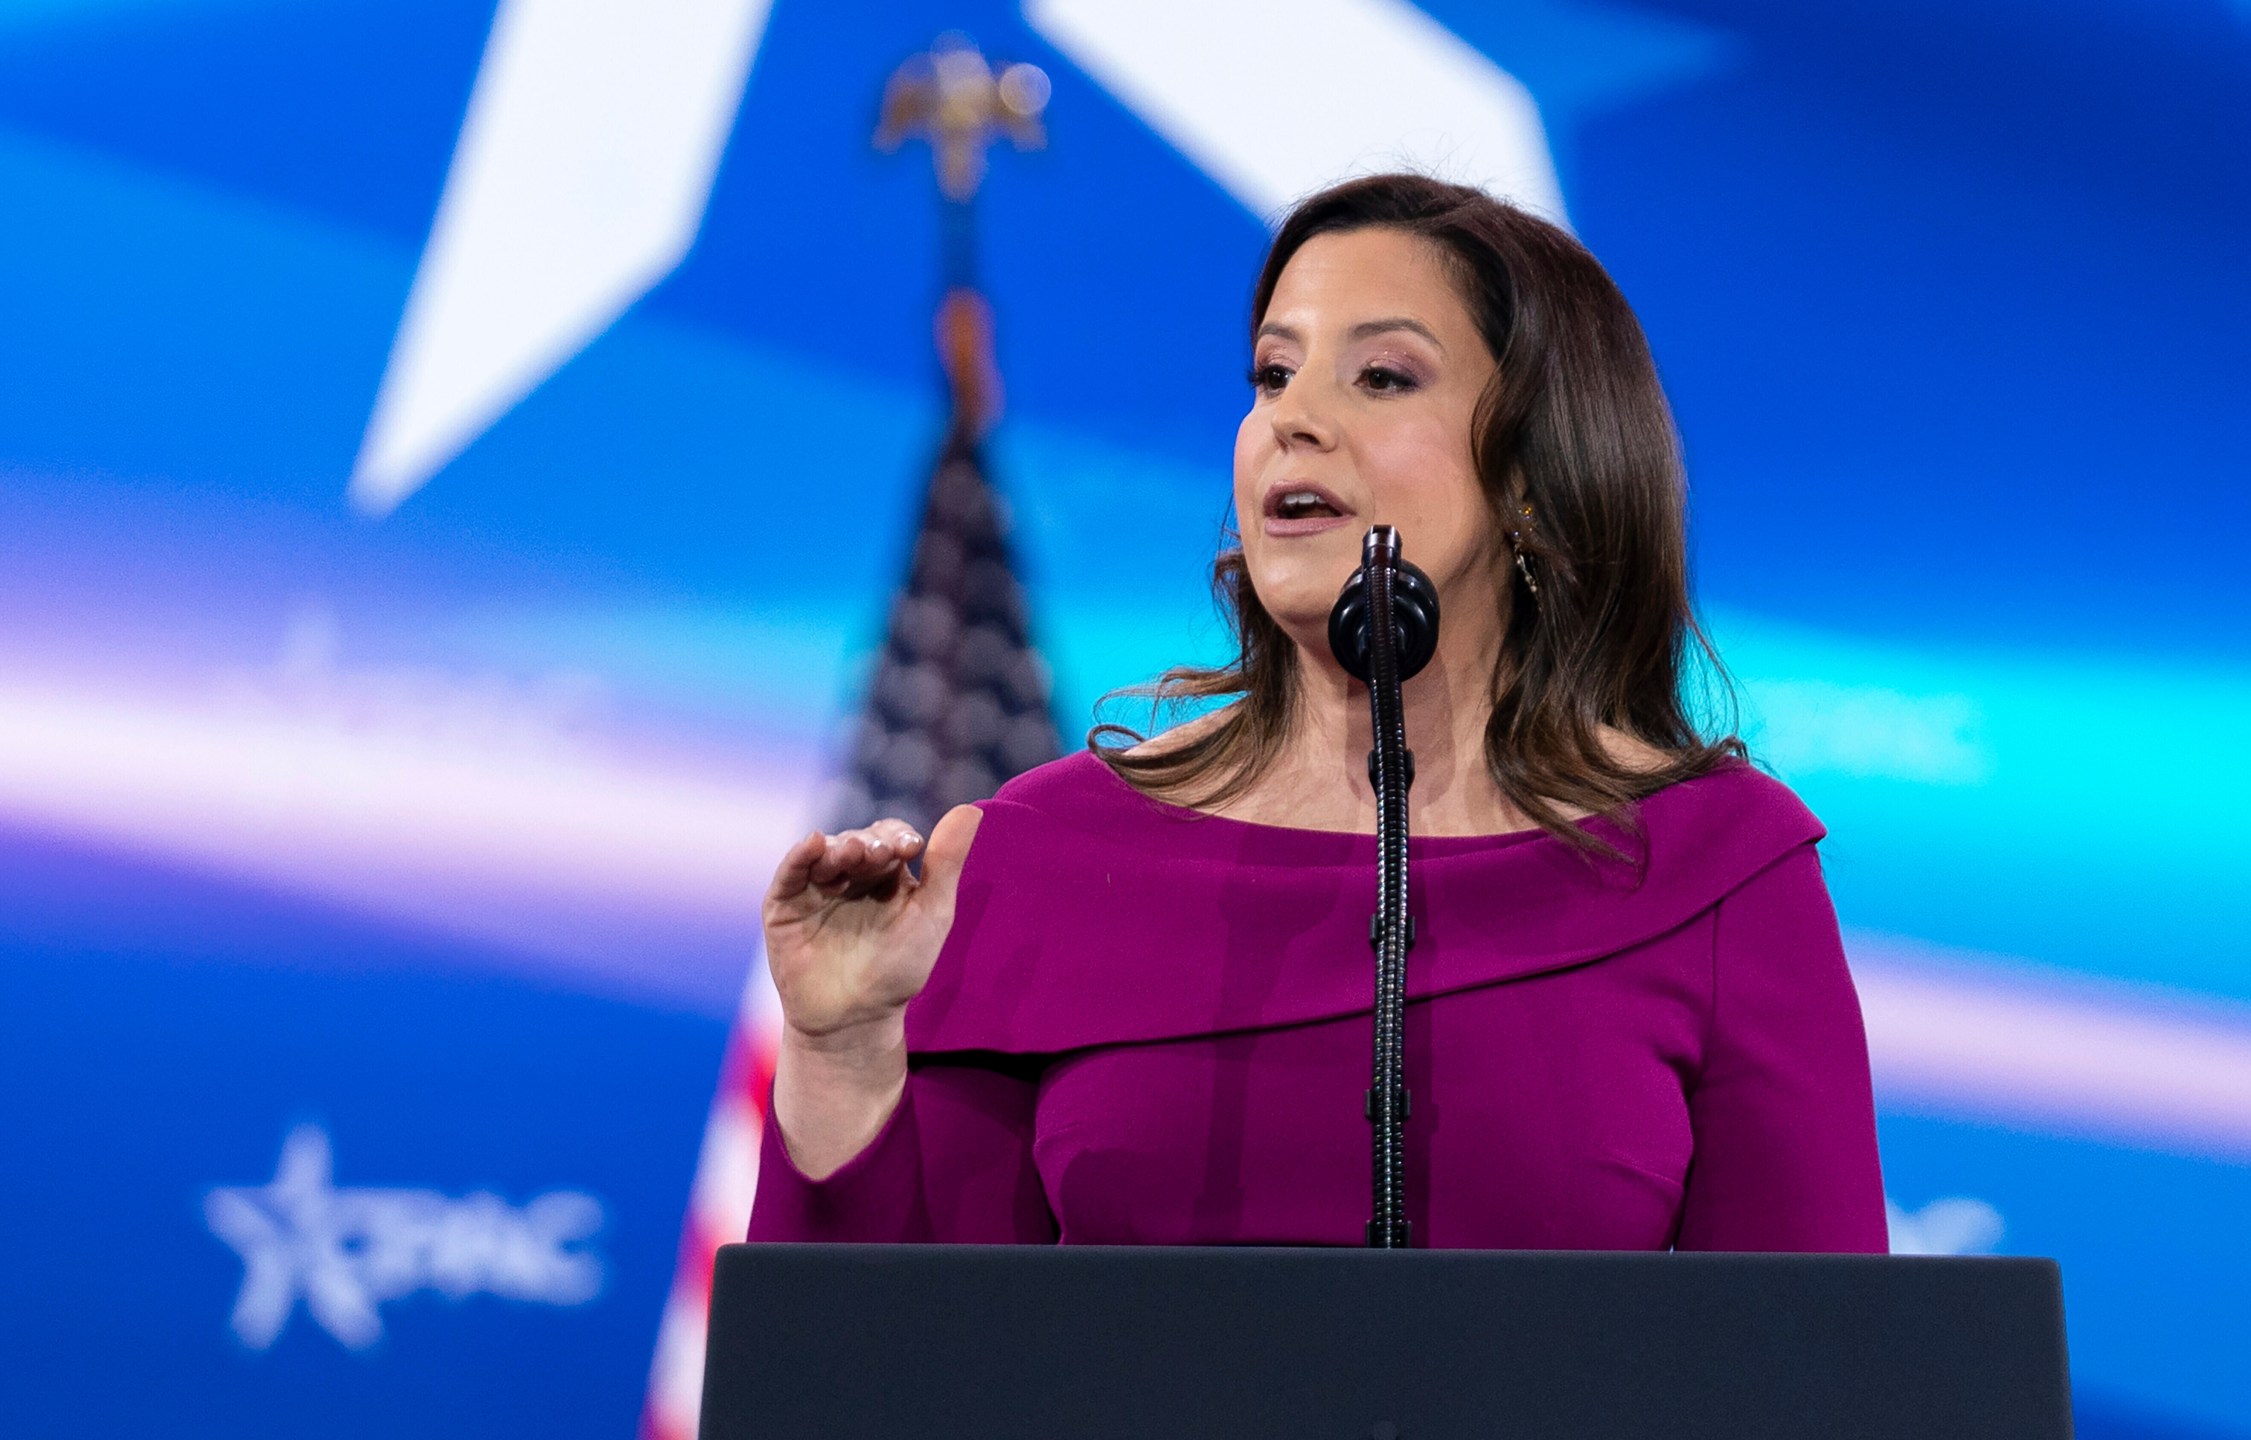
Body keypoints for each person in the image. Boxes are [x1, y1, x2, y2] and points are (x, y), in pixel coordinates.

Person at [748, 173, 1887, 1251]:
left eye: (1382, 377)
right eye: (1272, 375)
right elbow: (899, 1363)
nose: (1292, 421)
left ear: (1538, 475)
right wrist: (840, 1046)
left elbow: (1820, 1368)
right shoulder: (1040, 855)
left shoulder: (1714, 869)